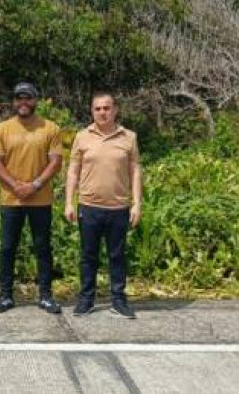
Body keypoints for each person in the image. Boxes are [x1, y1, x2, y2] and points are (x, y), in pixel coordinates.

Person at [64, 92, 142, 319]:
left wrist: (137, 203)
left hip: (119, 208)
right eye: (97, 108)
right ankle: (86, 299)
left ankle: (118, 300)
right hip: (89, 207)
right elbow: (73, 171)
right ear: (92, 111)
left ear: (115, 110)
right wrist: (69, 202)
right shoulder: (82, 136)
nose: (102, 112)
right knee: (88, 256)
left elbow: (135, 170)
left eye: (106, 108)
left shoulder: (129, 137)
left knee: (117, 256)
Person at [0, 82, 63, 314]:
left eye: (28, 98)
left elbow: (56, 161)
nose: (23, 103)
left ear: (35, 101)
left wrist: (34, 185)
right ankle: (5, 295)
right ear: (13, 102)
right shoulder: (2, 128)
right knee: (8, 247)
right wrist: (16, 186)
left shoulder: (50, 128)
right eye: (19, 98)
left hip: (41, 199)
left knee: (42, 247)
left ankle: (45, 296)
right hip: (11, 200)